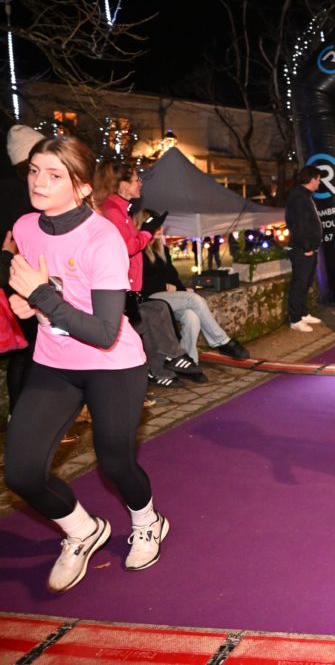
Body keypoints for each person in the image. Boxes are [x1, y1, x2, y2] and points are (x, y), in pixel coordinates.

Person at [5, 135, 170, 593]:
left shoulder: (103, 239)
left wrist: (40, 296)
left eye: (53, 175)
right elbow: (44, 285)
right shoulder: (25, 227)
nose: (38, 182)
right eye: (34, 171)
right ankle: (82, 530)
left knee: (115, 463)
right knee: (21, 472)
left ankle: (148, 521)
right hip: (54, 362)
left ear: (81, 187)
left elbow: (103, 332)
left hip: (112, 365)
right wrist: (28, 303)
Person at [94, 161, 200, 387]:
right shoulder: (112, 211)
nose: (140, 183)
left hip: (130, 287)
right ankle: (162, 365)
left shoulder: (121, 210)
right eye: (136, 179)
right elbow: (129, 246)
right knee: (145, 319)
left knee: (157, 310)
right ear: (123, 185)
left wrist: (146, 230)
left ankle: (167, 361)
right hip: (117, 288)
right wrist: (147, 231)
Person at [140, 214, 249, 363]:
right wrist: (163, 286)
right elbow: (139, 282)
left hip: (168, 299)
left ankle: (189, 361)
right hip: (150, 299)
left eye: (160, 226)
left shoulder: (162, 250)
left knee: (192, 317)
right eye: (155, 226)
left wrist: (182, 290)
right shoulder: (138, 251)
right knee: (195, 300)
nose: (160, 229)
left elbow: (173, 276)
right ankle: (222, 341)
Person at [1, 125, 46, 414]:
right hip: (21, 275)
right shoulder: (26, 192)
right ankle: (26, 413)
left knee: (23, 351)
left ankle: (19, 414)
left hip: (10, 274)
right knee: (31, 350)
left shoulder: (9, 188)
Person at [284, 166, 324, 333]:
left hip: (309, 248)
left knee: (306, 282)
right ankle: (295, 319)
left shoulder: (305, 196)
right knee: (299, 283)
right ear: (312, 179)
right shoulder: (299, 197)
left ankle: (303, 313)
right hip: (302, 249)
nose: (320, 182)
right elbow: (298, 225)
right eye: (318, 179)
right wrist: (306, 247)